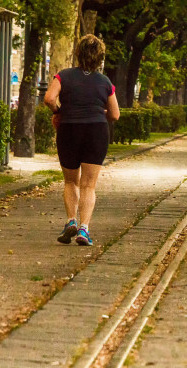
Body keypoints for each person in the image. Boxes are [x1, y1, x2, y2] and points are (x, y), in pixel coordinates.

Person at [44, 34, 120, 246]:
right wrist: (97, 113)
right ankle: (84, 230)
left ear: (78, 53)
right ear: (100, 58)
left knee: (70, 181)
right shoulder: (105, 82)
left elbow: (49, 98)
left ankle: (70, 221)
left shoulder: (63, 76)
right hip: (96, 131)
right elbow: (115, 115)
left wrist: (58, 112)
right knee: (88, 185)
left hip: (69, 129)